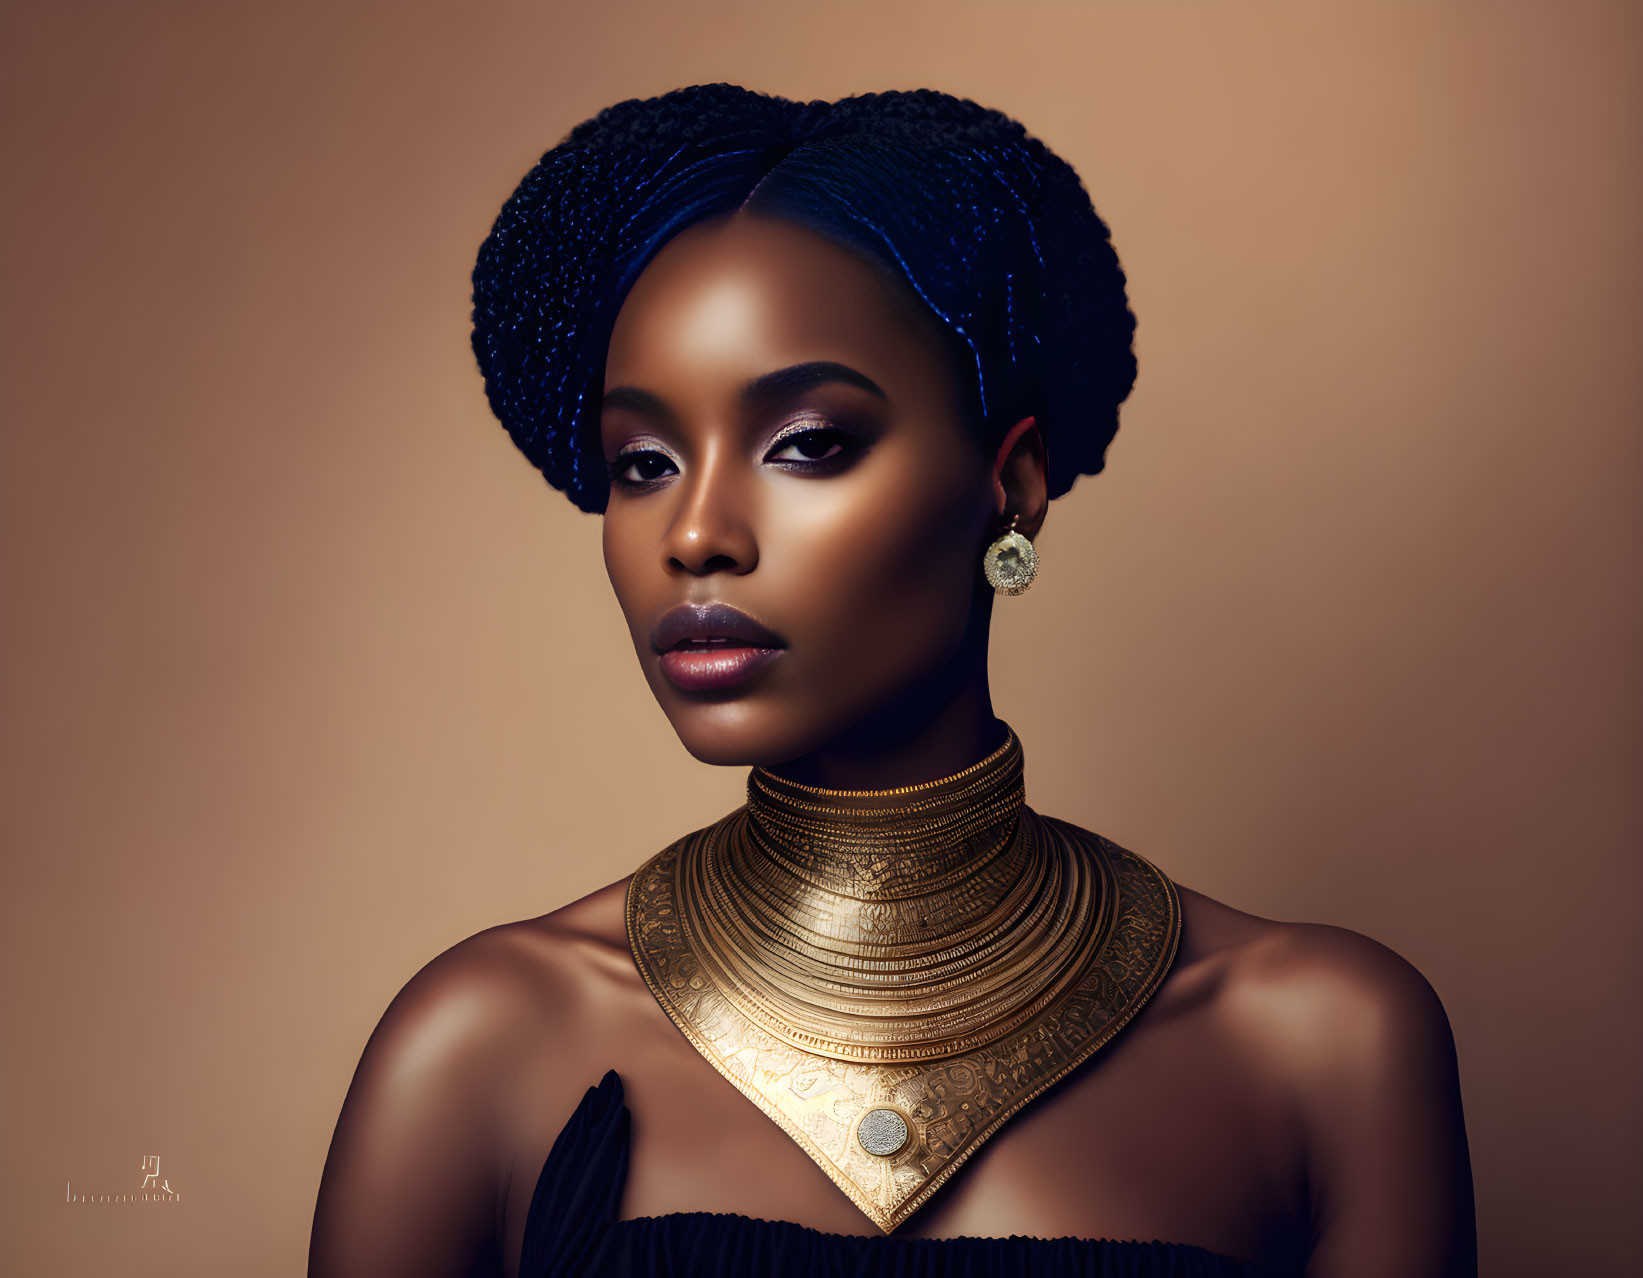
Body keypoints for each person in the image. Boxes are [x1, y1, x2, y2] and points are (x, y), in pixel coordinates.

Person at [308, 84, 1476, 1278]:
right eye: (643, 460)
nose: (695, 533)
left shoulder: (1324, 1047)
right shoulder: (477, 1047)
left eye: (807, 443)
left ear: (1009, 484)